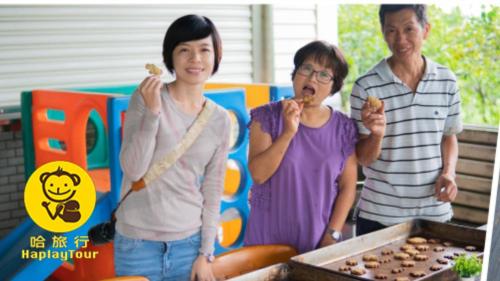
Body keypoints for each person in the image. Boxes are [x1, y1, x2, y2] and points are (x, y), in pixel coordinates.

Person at [114, 15, 230, 281]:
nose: (195, 59)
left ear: (215, 56)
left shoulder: (220, 119)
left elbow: (213, 189)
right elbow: (133, 169)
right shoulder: (144, 98)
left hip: (189, 247)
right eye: (184, 50)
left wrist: (206, 252)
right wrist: (153, 113)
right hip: (136, 245)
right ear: (170, 57)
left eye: (204, 49)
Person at [350, 4, 462, 236]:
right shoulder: (366, 86)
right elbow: (363, 158)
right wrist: (376, 135)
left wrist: (449, 173)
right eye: (391, 30)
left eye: (409, 29)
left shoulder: (447, 81)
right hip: (378, 216)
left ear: (426, 30)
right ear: (383, 33)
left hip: (434, 213)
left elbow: (448, 136)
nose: (400, 39)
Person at [243, 40, 358, 254]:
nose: (313, 77)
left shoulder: (344, 127)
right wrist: (288, 132)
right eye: (306, 68)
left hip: (319, 241)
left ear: (334, 86)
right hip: (267, 240)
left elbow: (348, 187)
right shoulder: (266, 116)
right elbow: (258, 175)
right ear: (295, 74)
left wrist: (332, 235)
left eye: (324, 74)